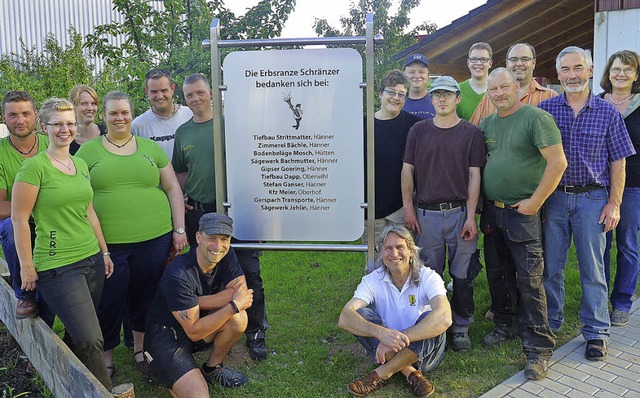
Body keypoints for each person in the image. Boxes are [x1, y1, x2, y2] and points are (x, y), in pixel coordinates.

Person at [75, 91, 188, 380]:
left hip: (155, 238)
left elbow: (173, 188)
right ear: (105, 116)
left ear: (131, 113)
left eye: (124, 112)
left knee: (146, 294)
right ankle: (106, 357)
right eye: (113, 113)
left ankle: (140, 349)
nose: (119, 117)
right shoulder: (88, 152)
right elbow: (78, 196)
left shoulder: (150, 147)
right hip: (109, 243)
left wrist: (179, 229)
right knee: (109, 298)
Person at [539, 47, 635, 361]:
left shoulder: (608, 112)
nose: (572, 75)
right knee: (551, 267)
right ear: (558, 74)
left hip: (594, 199)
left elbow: (618, 163)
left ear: (590, 70)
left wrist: (614, 203)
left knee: (593, 269)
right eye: (565, 69)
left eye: (578, 68)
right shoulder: (548, 110)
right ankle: (551, 324)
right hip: (555, 198)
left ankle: (596, 332)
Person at [11, 97, 114, 389]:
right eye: (58, 124)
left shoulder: (80, 163)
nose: (65, 129)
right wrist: (27, 268)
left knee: (78, 334)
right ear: (45, 127)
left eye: (69, 123)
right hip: (57, 265)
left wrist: (104, 250)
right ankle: (104, 391)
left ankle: (69, 381)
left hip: (91, 258)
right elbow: (20, 220)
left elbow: (89, 211)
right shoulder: (34, 168)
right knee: (91, 338)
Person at [173, 73, 270, 361]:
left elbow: (255, 162)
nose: (196, 99)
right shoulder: (184, 133)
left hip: (238, 211)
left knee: (249, 272)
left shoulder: (232, 125)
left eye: (200, 92)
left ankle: (255, 331)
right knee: (207, 274)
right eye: (190, 95)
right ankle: (212, 330)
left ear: (212, 93)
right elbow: (180, 172)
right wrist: (180, 203)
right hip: (201, 213)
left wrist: (259, 208)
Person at [480, 68, 567, 380]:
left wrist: (535, 202)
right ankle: (506, 324)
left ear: (517, 86)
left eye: (505, 87)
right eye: (493, 90)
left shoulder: (535, 117)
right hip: (493, 212)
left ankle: (539, 348)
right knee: (498, 273)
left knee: (529, 280)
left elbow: (558, 162)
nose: (500, 94)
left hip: (523, 212)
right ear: (487, 93)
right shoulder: (487, 122)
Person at [401, 76, 485, 352]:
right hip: (427, 215)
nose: (442, 99)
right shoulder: (418, 131)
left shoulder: (471, 133)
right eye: (436, 95)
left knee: (462, 274)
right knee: (428, 275)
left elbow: (475, 176)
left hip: (460, 212)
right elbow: (407, 171)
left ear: (457, 98)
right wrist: (409, 208)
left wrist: (471, 215)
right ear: (432, 98)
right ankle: (431, 327)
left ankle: (460, 326)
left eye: (447, 94)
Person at [145, 213, 253, 396]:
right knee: (199, 396)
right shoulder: (179, 273)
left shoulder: (225, 253)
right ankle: (164, 368)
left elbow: (240, 289)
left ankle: (212, 369)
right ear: (198, 237)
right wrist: (233, 305)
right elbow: (195, 331)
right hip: (167, 336)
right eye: (211, 238)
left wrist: (197, 302)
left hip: (197, 323)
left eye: (224, 239)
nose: (218, 246)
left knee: (239, 319)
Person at [339, 225, 451, 397]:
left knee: (433, 319)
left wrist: (396, 341)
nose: (394, 254)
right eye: (388, 248)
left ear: (411, 251)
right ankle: (411, 373)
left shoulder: (428, 276)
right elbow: (345, 318)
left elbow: (445, 317)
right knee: (361, 315)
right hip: (386, 346)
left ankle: (381, 374)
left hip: (425, 355)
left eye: (400, 247)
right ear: (381, 253)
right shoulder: (372, 280)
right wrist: (381, 334)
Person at [0, 91, 53, 323]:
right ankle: (25, 293)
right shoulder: (1, 152)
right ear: (3, 118)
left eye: (25, 114)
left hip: (52, 217)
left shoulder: (50, 144)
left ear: (36, 115)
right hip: (15, 218)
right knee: (12, 229)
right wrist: (31, 208)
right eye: (13, 115)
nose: (20, 121)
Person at [599, 50, 640, 327]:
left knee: (627, 245)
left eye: (627, 69)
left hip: (634, 186)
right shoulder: (597, 103)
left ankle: (622, 302)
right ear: (608, 72)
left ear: (636, 75)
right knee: (600, 244)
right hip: (599, 185)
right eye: (616, 69)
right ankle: (599, 299)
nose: (621, 74)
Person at [366, 70, 421, 249]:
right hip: (371, 209)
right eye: (391, 91)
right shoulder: (363, 125)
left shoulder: (414, 126)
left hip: (401, 208)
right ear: (380, 93)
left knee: (404, 261)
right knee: (374, 264)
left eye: (401, 94)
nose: (396, 98)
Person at [470, 43, 557, 125]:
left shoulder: (550, 97)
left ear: (533, 63)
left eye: (525, 59)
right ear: (507, 63)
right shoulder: (489, 97)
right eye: (514, 59)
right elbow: (473, 132)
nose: (519, 64)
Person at [131, 69, 193, 160]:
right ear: (146, 91)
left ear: (172, 89)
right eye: (154, 92)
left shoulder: (190, 115)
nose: (159, 96)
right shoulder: (137, 127)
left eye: (164, 90)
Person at [457, 42, 493, 121]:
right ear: (468, 63)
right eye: (474, 59)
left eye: (483, 60)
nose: (478, 63)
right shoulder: (457, 90)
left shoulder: (498, 90)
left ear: (490, 63)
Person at [69, 84, 107, 155]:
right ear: (73, 107)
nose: (90, 108)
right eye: (84, 104)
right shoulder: (66, 140)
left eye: (93, 104)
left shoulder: (107, 134)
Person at [402, 54, 436, 120]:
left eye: (421, 72)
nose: (417, 76)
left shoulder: (438, 102)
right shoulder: (395, 102)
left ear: (428, 75)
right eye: (412, 72)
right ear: (404, 75)